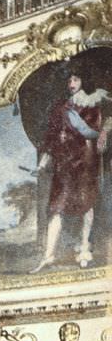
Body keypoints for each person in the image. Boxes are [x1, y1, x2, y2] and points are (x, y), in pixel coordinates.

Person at [31, 71, 109, 272]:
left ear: (84, 80)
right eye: (69, 80)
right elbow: (53, 135)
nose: (71, 83)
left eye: (75, 79)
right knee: (57, 206)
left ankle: (84, 249)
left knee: (86, 202)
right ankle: (49, 255)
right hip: (64, 160)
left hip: (85, 159)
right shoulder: (63, 107)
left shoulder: (95, 102)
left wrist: (103, 133)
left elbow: (92, 131)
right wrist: (44, 161)